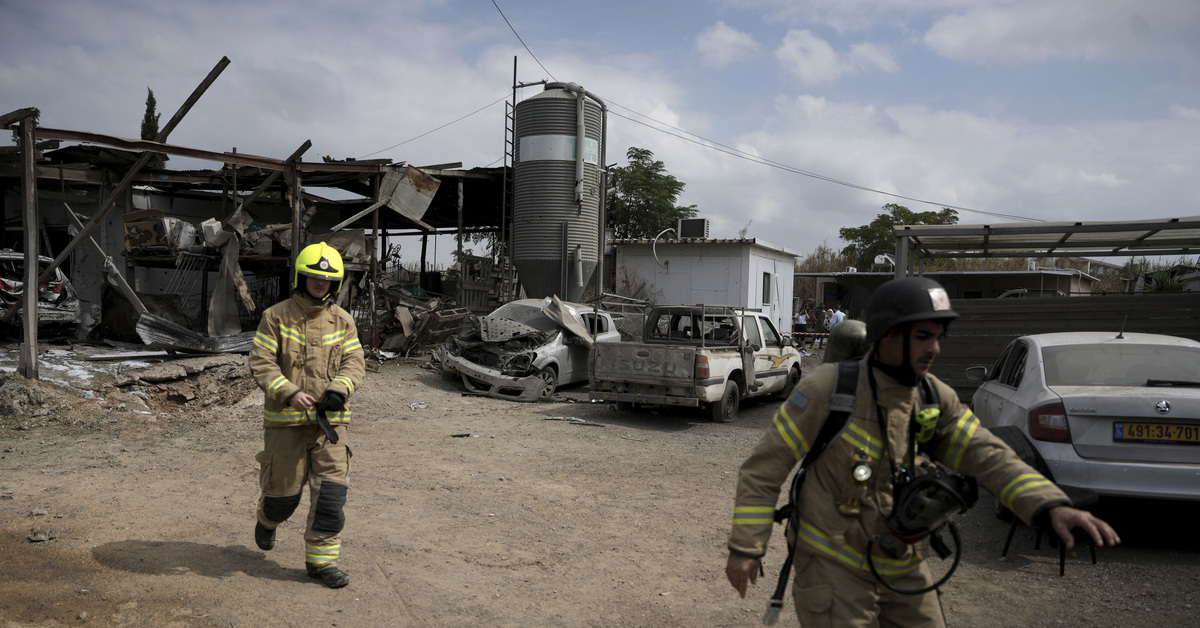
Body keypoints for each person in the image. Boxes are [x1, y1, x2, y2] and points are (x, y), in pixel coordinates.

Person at [725, 277, 1119, 626]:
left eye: (937, 337)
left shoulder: (933, 396)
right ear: (888, 335)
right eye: (922, 337)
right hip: (832, 568)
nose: (935, 349)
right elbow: (765, 470)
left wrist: (1050, 504)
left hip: (903, 561)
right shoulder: (827, 389)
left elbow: (988, 454)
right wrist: (747, 547)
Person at [248, 242, 365, 589]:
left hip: (330, 426)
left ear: (335, 283)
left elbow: (354, 362)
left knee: (331, 496)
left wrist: (340, 389)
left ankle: (321, 564)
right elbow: (262, 362)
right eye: (314, 276)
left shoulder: (343, 321)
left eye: (327, 279)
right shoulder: (276, 316)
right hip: (286, 425)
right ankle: (267, 519)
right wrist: (289, 392)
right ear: (302, 277)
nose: (320, 283)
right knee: (283, 497)